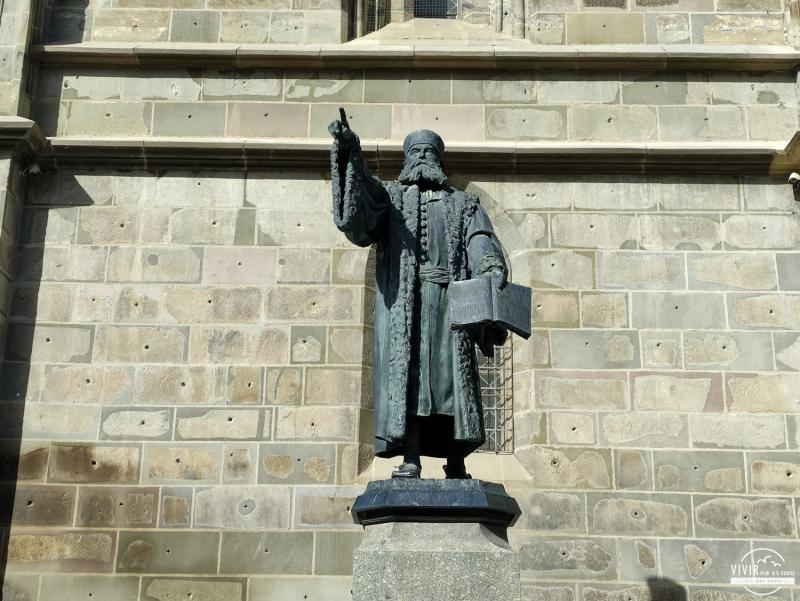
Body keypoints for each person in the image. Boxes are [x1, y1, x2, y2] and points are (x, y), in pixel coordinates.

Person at [329, 109, 508, 479]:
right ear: (406, 160)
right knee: (410, 384)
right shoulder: (392, 198)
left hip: (451, 304)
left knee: (451, 384)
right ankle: (410, 457)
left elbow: (480, 241)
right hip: (405, 307)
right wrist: (350, 151)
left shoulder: (464, 204)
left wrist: (489, 267)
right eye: (415, 152)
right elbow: (364, 201)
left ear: (439, 160)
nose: (422, 157)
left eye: (429, 152)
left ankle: (456, 462)